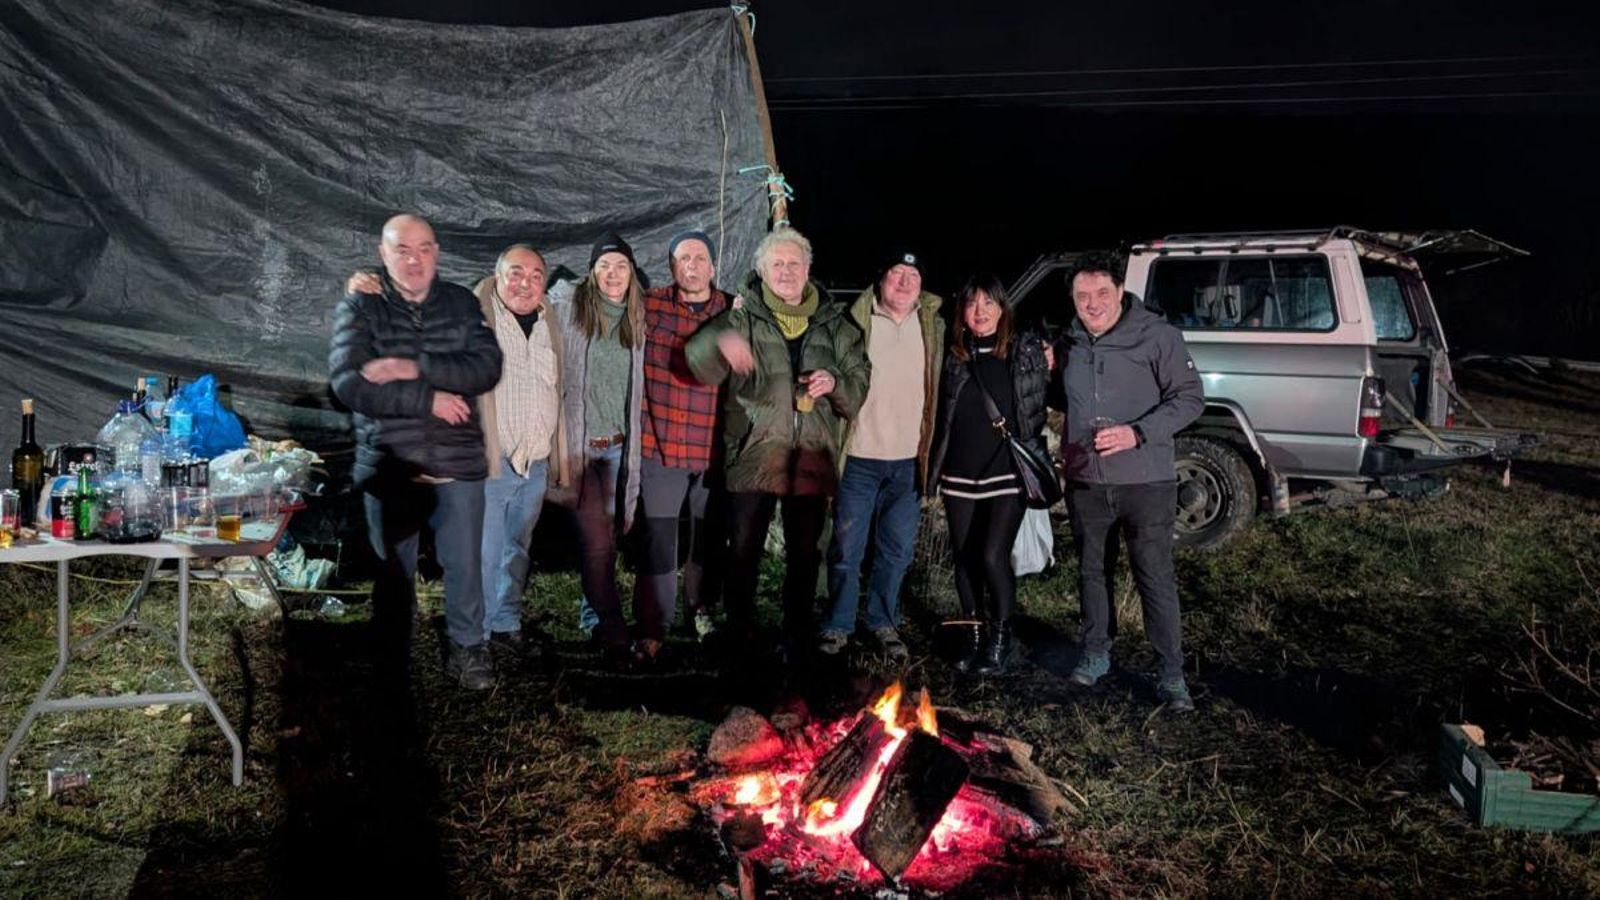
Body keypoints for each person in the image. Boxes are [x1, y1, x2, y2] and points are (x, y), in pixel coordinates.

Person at [347, 244, 568, 653]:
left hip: (533, 461)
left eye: (536, 276)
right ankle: (473, 640)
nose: (525, 284)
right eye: (515, 273)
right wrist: (365, 286)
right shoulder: (469, 314)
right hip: (488, 459)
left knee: (516, 548)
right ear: (497, 276)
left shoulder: (548, 321)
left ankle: (505, 622)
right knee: (481, 553)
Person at [329, 214, 503, 691]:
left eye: (424, 248)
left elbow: (486, 367)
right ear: (383, 255)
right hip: (390, 463)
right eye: (402, 249)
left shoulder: (463, 304)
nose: (414, 259)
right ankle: (391, 658)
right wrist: (426, 398)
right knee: (392, 572)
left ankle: (467, 651)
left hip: (457, 464)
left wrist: (412, 366)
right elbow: (348, 383)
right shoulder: (361, 308)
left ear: (437, 253)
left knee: (464, 566)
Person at [685, 227, 868, 660]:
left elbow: (858, 387)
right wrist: (718, 341)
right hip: (754, 451)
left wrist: (835, 382)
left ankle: (797, 636)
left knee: (805, 555)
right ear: (762, 270)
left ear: (808, 269)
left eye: (794, 263)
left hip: (809, 458)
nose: (786, 272)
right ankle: (741, 633)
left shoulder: (835, 321)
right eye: (777, 264)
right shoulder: (742, 316)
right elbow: (698, 363)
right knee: (743, 549)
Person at [1057, 251, 1204, 711]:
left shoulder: (1157, 336)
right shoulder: (1069, 342)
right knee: (1092, 572)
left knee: (1154, 577)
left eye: (1102, 293)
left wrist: (1137, 432)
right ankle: (1097, 653)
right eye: (1082, 296)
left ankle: (1171, 674)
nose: (1092, 303)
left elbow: (1190, 398)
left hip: (1146, 481)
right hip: (1087, 481)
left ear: (1121, 292)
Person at [819, 248, 943, 662]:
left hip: (909, 462)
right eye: (896, 273)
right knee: (846, 550)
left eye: (913, 275)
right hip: (859, 457)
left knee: (896, 551)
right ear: (880, 279)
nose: (905, 282)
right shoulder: (853, 322)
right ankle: (838, 625)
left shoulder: (934, 327)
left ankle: (882, 622)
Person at [927, 275, 1051, 675]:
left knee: (992, 554)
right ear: (962, 311)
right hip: (959, 473)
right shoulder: (952, 355)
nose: (980, 312)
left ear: (1003, 309)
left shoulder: (1022, 351)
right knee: (964, 558)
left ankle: (1000, 639)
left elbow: (1051, 382)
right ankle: (974, 637)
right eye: (972, 304)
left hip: (1005, 471)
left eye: (989, 304)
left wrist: (1049, 350)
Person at [546, 235, 647, 668]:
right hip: (582, 448)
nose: (612, 273)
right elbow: (516, 297)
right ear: (591, 271)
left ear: (631, 273)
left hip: (619, 450)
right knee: (598, 542)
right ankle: (613, 630)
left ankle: (592, 620)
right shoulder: (568, 307)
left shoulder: (639, 318)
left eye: (620, 266)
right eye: (604, 265)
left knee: (603, 540)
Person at [635, 231, 732, 659]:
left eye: (699, 257)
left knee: (707, 539)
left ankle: (702, 611)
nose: (691, 265)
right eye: (681, 259)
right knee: (658, 538)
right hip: (661, 445)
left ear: (713, 266)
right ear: (671, 267)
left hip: (712, 448)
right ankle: (654, 625)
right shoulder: (650, 305)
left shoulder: (732, 310)